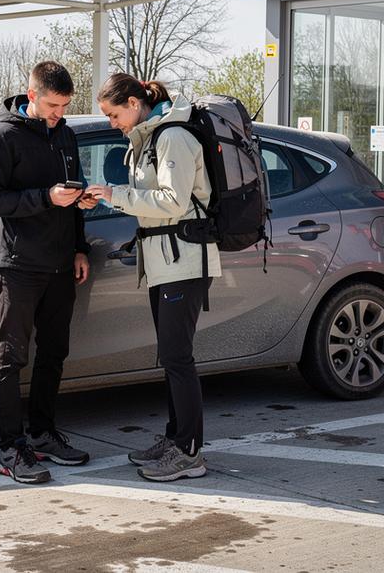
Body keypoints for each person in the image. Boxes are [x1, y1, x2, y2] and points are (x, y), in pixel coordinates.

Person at [83, 73, 221, 482]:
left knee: (178, 357)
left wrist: (115, 195)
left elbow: (173, 201)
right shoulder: (149, 138)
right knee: (171, 357)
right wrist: (112, 195)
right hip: (165, 262)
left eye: (113, 115)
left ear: (133, 103)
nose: (112, 123)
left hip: (184, 261)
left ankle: (189, 453)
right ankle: (175, 438)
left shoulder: (173, 137)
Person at [0, 60, 92, 484]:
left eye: (64, 106)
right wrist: (45, 197)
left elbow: (71, 195)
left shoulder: (65, 135)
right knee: (11, 356)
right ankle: (11, 448)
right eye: (52, 105)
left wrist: (79, 245)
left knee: (54, 352)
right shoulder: (2, 137)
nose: (58, 114)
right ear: (32, 96)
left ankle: (43, 434)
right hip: (18, 264)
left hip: (61, 263)